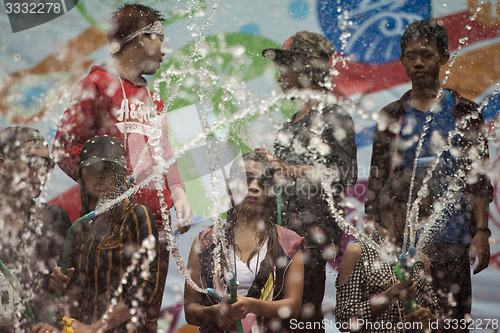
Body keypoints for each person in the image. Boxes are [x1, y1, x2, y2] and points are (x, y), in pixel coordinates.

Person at [52, 4, 192, 328]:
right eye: (160, 38)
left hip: (155, 226)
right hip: (109, 228)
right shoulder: (97, 85)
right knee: (102, 314)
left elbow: (164, 155)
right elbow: (63, 148)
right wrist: (104, 191)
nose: (164, 49)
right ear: (139, 39)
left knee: (143, 318)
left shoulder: (152, 98)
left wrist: (179, 192)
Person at [365, 20, 493, 329]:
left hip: (453, 241)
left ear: (443, 57)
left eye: (426, 54)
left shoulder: (465, 113)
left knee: (452, 322)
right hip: (404, 245)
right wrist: (376, 237)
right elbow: (377, 183)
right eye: (411, 55)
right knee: (405, 322)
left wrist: (480, 232)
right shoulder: (391, 115)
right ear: (402, 60)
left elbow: (478, 179)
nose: (418, 62)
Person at [258, 31, 358, 330]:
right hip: (282, 240)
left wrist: (287, 168)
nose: (279, 76)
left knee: (303, 318)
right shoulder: (290, 125)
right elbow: (281, 178)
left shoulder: (334, 117)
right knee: (278, 318)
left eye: (284, 67)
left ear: (307, 69)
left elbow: (343, 173)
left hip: (311, 243)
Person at [34, 135, 160, 333]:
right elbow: (74, 292)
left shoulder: (136, 215)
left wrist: (95, 328)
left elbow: (145, 288)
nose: (100, 175)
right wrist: (57, 316)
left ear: (121, 174)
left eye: (108, 169)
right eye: (93, 168)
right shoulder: (80, 227)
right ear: (81, 175)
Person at [184, 152, 304, 332]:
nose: (254, 186)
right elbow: (190, 312)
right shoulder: (206, 242)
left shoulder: (288, 243)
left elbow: (293, 307)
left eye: (263, 182)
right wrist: (217, 312)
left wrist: (250, 305)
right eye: (247, 178)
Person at [336, 172, 440, 332]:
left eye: (426, 214)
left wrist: (429, 318)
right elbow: (343, 321)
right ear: (393, 203)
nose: (421, 222)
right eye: (419, 212)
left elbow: (435, 316)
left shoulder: (421, 259)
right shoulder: (358, 252)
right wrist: (388, 297)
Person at [0, 126, 71, 330]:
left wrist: (54, 326)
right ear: (3, 167)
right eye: (33, 162)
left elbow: (75, 296)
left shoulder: (54, 220)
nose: (42, 172)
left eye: (47, 165)